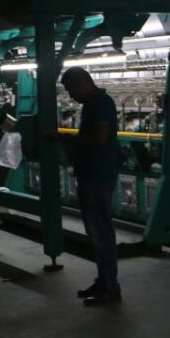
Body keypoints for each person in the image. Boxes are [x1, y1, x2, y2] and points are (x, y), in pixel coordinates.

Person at [44, 67, 122, 306]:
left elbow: (100, 138)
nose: (70, 95)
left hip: (98, 175)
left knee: (100, 233)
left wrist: (65, 138)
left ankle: (110, 287)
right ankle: (104, 281)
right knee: (96, 232)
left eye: (70, 89)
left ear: (82, 83)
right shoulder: (92, 104)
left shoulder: (101, 103)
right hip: (91, 174)